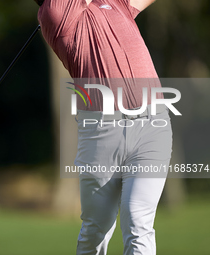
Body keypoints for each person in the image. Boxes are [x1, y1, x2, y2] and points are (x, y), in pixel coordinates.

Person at [35, 0, 173, 255]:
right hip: (101, 133)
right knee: (96, 230)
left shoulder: (113, 3)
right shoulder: (53, 10)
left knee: (138, 222)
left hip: (152, 126)